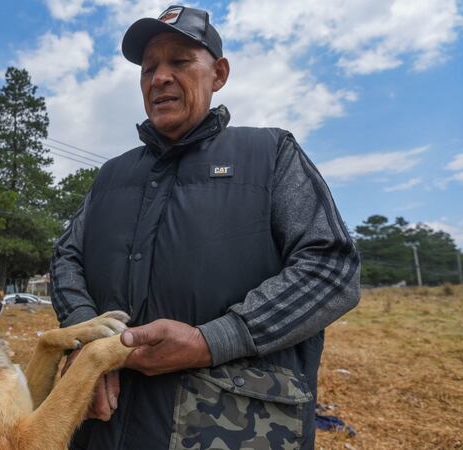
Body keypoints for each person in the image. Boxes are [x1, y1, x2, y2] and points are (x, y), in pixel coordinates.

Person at [51, 5, 360, 450]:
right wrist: (87, 340)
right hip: (102, 429)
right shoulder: (112, 176)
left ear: (218, 74)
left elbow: (332, 268)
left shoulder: (270, 154)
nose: (159, 78)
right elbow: (66, 257)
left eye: (179, 61)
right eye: (149, 67)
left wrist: (212, 340)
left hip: (227, 428)